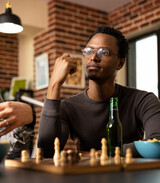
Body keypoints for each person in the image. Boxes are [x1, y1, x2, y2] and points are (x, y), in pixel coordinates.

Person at [38, 25, 160, 158]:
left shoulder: (143, 100)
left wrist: (97, 154)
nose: (93, 57)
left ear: (120, 63)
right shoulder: (68, 107)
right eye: (89, 51)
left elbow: (157, 145)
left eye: (104, 52)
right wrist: (54, 84)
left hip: (132, 176)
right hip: (86, 177)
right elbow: (46, 153)